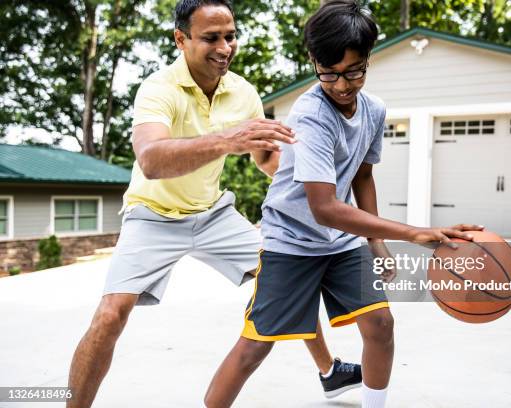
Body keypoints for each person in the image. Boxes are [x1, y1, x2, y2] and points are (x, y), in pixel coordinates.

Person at [66, 1, 362, 407]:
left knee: (285, 275)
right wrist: (228, 139)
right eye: (211, 38)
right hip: (152, 215)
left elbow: (265, 158)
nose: (224, 47)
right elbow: (151, 160)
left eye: (230, 36)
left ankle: (330, 372)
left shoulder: (242, 92)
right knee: (110, 314)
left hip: (214, 214)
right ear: (181, 39)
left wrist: (316, 191)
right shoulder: (158, 89)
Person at [203, 1, 485, 407]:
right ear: (314, 62)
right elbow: (325, 207)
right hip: (291, 242)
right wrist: (412, 232)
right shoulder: (311, 115)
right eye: (329, 74)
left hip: (342, 242)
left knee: (380, 324)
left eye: (353, 72)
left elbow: (362, 175)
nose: (341, 85)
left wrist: (375, 242)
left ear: (368, 60)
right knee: (255, 347)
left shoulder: (374, 109)